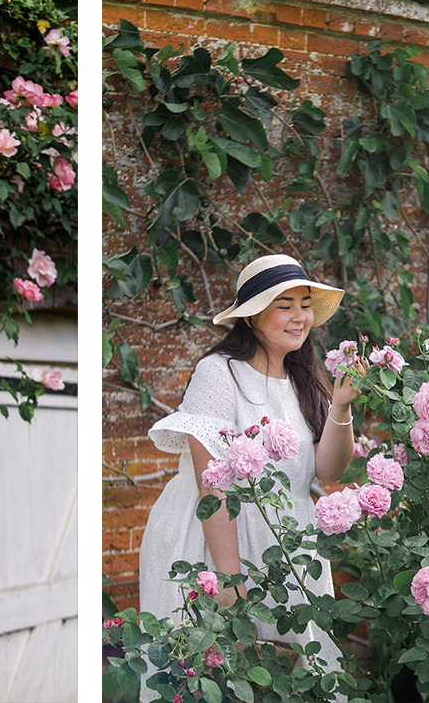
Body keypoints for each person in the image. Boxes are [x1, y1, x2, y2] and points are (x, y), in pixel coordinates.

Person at [138, 253, 360, 698]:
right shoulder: (219, 374)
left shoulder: (302, 377)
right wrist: (228, 583)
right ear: (252, 315)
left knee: (298, 676)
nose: (300, 317)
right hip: (214, 541)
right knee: (210, 677)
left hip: (288, 547)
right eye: (285, 305)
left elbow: (329, 471)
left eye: (304, 304)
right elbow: (213, 484)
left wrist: (341, 405)